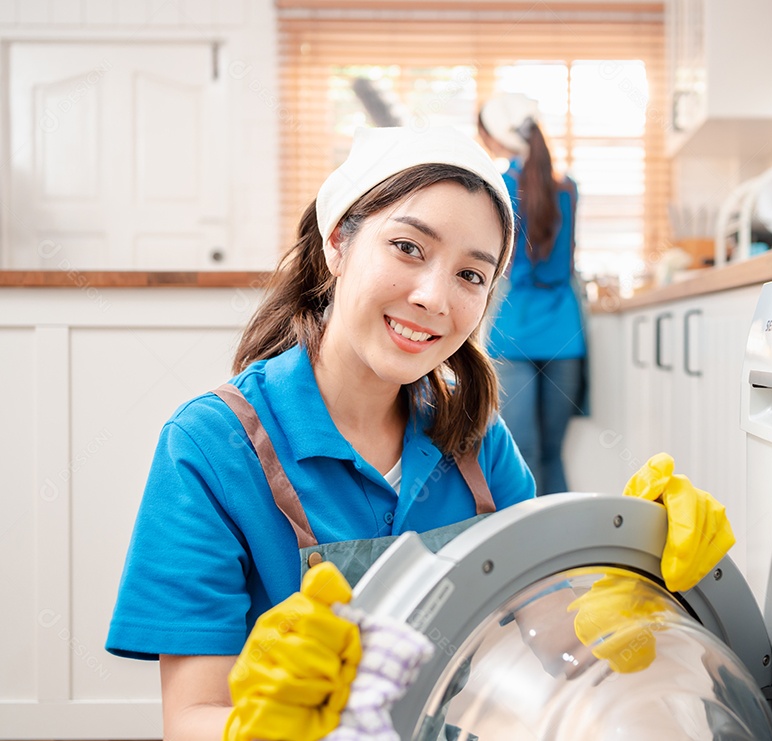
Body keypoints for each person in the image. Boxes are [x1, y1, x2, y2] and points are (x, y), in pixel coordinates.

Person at [106, 125, 535, 740]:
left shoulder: (475, 439)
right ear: (337, 242)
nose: (434, 297)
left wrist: (639, 579)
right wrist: (275, 729)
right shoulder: (209, 446)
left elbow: (553, 638)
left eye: (472, 275)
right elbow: (191, 719)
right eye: (409, 247)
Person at [478, 93, 588, 495]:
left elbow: (498, 262)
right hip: (564, 329)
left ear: (496, 138)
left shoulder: (501, 184)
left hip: (515, 328)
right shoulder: (569, 188)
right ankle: (568, 554)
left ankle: (532, 552)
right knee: (552, 453)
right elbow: (569, 260)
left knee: (521, 451)